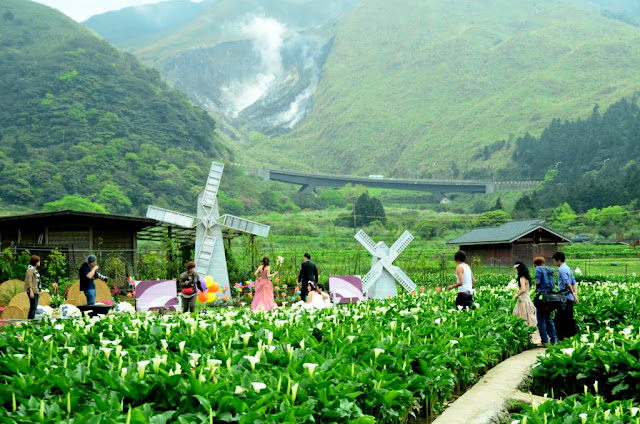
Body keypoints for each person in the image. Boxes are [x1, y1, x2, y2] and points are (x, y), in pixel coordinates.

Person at [512, 261, 542, 346]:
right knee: (531, 319)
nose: (515, 271)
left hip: (523, 301)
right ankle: (534, 338)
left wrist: (516, 295)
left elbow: (523, 289)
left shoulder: (521, 278)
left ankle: (527, 339)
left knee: (523, 318)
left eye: (516, 269)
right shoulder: (526, 277)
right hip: (527, 300)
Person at [553, 251, 578, 341]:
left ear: (559, 260)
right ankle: (571, 337)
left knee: (561, 318)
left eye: (555, 261)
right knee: (569, 317)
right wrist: (575, 295)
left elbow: (567, 284)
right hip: (570, 297)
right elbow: (574, 282)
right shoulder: (567, 268)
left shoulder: (561, 269)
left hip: (564, 297)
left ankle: (562, 338)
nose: (554, 263)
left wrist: (572, 294)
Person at [533, 257, 558, 345]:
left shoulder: (538, 268)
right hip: (550, 296)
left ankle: (544, 341)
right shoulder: (549, 269)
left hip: (542, 296)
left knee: (540, 319)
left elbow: (537, 282)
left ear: (535, 264)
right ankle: (554, 339)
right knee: (548, 318)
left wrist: (536, 290)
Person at [25, 255, 41, 320]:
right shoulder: (30, 270)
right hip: (32, 291)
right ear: (35, 262)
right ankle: (30, 321)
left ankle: (32, 320)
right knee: (33, 307)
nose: (39, 263)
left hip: (35, 290)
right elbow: (29, 281)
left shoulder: (34, 270)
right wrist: (31, 291)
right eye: (38, 261)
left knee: (34, 307)